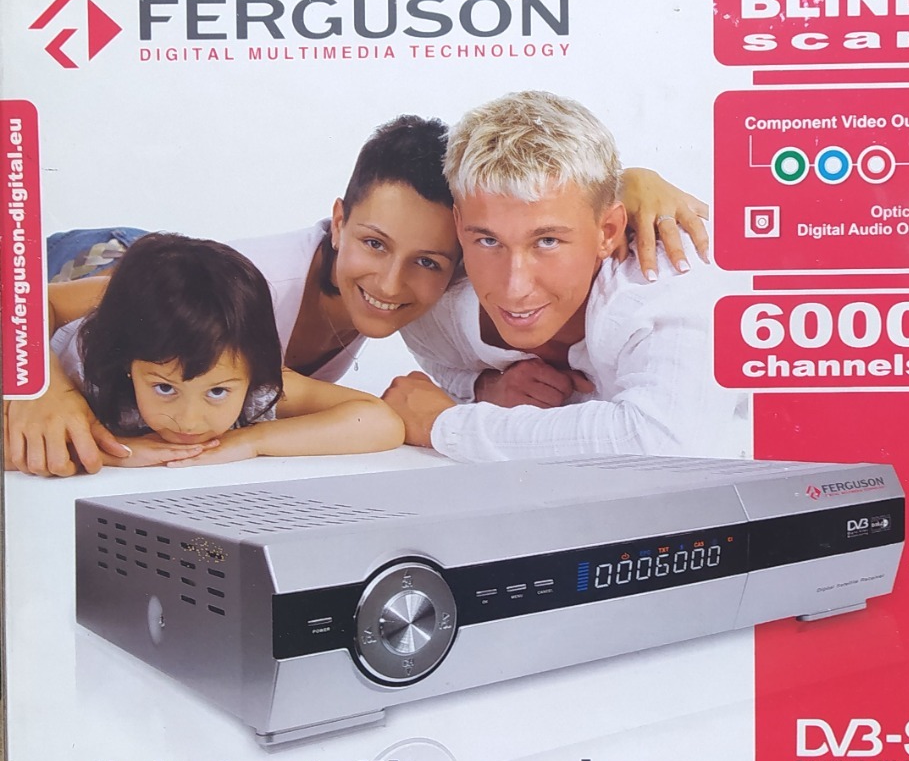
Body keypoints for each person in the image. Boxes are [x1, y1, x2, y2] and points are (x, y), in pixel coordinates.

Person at [4, 115, 707, 476]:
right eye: (372, 243)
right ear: (338, 221)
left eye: (428, 261)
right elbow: (32, 299)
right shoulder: (248, 286)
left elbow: (534, 178)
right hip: (100, 266)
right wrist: (40, 389)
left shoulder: (476, 276)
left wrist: (632, 181)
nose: (392, 285)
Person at [384, 91, 735, 462]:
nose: (514, 288)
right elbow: (447, 368)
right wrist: (484, 388)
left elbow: (663, 444)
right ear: (459, 225)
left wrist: (444, 425)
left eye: (547, 241)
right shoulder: (435, 311)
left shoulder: (667, 273)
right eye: (488, 240)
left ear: (608, 231)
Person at [11, 233, 404, 470]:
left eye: (217, 392)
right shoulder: (85, 367)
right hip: (87, 262)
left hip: (178, 272)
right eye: (165, 388)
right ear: (128, 365)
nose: (189, 421)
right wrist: (115, 449)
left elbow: (379, 421)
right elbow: (25, 302)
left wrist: (253, 442)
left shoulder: (250, 378)